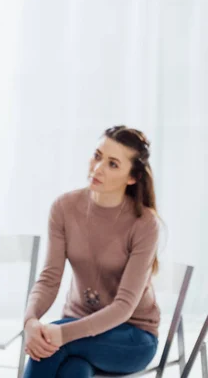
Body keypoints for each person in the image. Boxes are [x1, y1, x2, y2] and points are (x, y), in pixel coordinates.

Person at [22, 126, 161, 377]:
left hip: (133, 336)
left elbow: (124, 306)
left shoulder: (144, 223)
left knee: (51, 346)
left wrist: (61, 333)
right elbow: (50, 278)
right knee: (74, 370)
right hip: (77, 324)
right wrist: (30, 321)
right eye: (97, 156)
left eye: (113, 164)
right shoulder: (64, 208)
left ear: (132, 177)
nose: (97, 168)